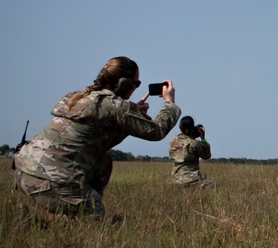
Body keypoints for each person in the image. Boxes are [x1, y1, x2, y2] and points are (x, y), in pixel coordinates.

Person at [13, 56, 181, 222]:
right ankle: (41, 220)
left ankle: (74, 208)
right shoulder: (116, 107)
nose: (136, 88)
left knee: (103, 162)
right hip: (50, 180)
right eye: (136, 83)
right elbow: (157, 131)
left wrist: (133, 114)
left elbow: (100, 137)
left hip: (24, 172)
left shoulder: (79, 97)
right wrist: (169, 103)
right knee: (96, 217)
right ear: (124, 84)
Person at [169, 116, 213, 188]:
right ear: (189, 129)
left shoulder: (173, 140)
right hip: (193, 180)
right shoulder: (195, 143)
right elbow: (207, 156)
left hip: (176, 180)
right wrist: (203, 139)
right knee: (210, 184)